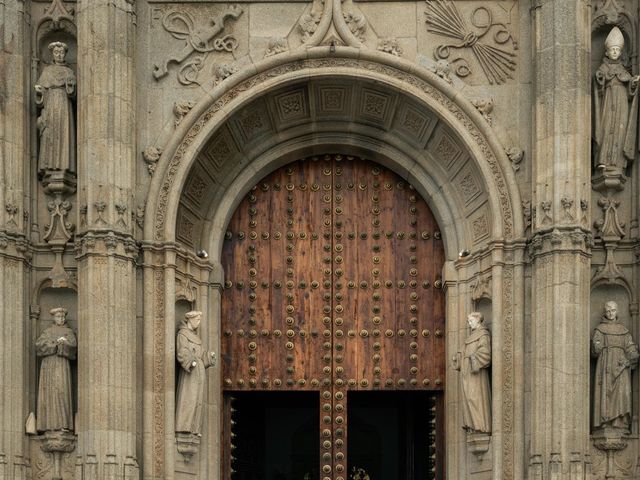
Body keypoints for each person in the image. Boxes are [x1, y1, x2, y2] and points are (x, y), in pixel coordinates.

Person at [593, 26, 639, 172]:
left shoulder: (623, 70)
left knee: (620, 131)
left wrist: (633, 83)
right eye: (612, 49)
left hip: (622, 103)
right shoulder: (603, 68)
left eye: (617, 50)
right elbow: (598, 80)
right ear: (606, 51)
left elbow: (630, 90)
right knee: (606, 128)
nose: (614, 52)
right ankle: (603, 160)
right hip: (608, 100)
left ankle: (618, 162)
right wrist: (599, 79)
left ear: (620, 52)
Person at [592, 301, 638, 432]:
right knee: (606, 393)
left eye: (613, 310)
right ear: (604, 312)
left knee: (622, 394)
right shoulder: (600, 329)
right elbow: (595, 350)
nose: (610, 313)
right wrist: (596, 345)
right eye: (608, 311)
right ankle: (606, 423)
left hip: (621, 368)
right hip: (605, 367)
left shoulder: (624, 331)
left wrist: (632, 355)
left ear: (617, 311)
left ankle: (620, 423)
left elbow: (630, 348)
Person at [35, 41, 76, 174]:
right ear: (53, 54)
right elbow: (40, 96)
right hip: (50, 105)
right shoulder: (47, 71)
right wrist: (40, 92)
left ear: (65, 54)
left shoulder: (69, 72)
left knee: (64, 135)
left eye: (61, 53)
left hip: (64, 107)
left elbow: (73, 94)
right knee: (49, 133)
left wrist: (70, 87)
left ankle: (64, 166)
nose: (59, 55)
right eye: (56, 52)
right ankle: (48, 167)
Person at [35, 307, 77, 432]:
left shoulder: (68, 332)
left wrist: (64, 344)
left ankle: (63, 424)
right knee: (49, 393)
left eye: (63, 317)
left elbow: (73, 347)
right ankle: (47, 425)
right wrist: (55, 344)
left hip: (62, 365)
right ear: (54, 317)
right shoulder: (47, 332)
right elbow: (39, 346)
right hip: (48, 366)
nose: (61, 319)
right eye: (59, 317)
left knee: (62, 392)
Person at [175, 311, 216, 435]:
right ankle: (184, 426)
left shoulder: (196, 337)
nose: (199, 323)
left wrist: (209, 356)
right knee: (189, 398)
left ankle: (194, 428)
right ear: (190, 319)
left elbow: (202, 356)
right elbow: (182, 351)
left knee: (198, 400)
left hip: (199, 372)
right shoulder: (183, 334)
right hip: (190, 373)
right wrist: (190, 362)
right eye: (197, 320)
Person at [453, 312, 491, 433]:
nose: (469, 324)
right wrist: (458, 358)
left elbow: (485, 352)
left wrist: (472, 359)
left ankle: (480, 426)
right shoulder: (470, 337)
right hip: (466, 373)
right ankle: (471, 425)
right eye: (468, 322)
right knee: (468, 399)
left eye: (471, 321)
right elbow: (462, 352)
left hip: (476, 374)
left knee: (475, 398)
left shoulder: (483, 334)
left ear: (478, 320)